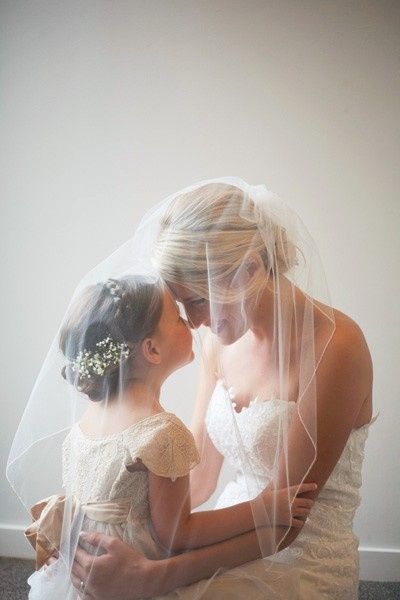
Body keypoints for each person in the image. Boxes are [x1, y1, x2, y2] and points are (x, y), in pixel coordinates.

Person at [8, 178, 376, 599]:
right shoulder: (219, 340)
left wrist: (149, 576)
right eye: (183, 306)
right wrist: (106, 526)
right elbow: (197, 480)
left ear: (250, 270)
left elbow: (287, 521)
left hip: (297, 552)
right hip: (230, 532)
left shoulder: (338, 348)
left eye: (198, 301)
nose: (194, 323)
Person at [21, 274, 316, 600]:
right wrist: (264, 507)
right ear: (152, 349)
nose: (191, 323)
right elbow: (178, 534)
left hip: (83, 571)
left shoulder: (89, 419)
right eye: (178, 318)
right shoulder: (163, 433)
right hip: (128, 575)